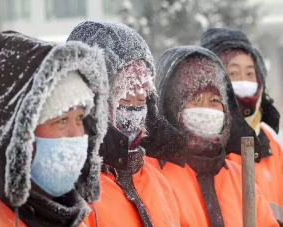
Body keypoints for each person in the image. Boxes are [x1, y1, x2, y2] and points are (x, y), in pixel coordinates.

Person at [0, 31, 109, 227]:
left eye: (80, 119)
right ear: (18, 134)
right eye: (61, 120)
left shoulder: (70, 214)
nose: (76, 135)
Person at [143, 45, 278, 227]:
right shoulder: (150, 175)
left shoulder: (239, 177)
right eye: (195, 99)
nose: (206, 108)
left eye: (214, 100)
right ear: (172, 107)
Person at [68, 21, 181, 227]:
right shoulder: (73, 193)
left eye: (141, 100)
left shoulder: (155, 180)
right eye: (124, 100)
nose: (135, 113)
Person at [201, 28, 283, 225]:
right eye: (233, 72)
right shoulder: (204, 145)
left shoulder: (270, 144)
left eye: (250, 73)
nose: (244, 81)